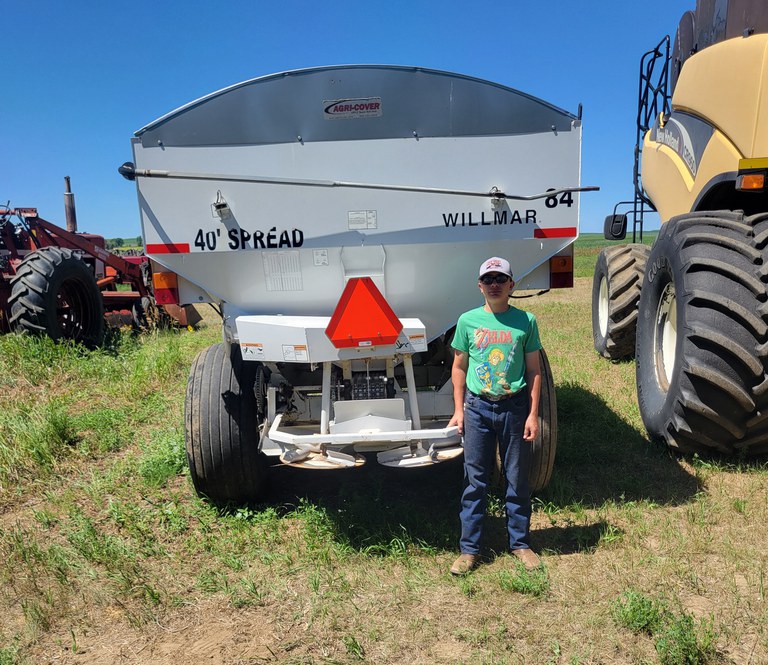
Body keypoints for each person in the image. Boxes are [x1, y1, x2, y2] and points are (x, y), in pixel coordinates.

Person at [448, 256, 543, 575]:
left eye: (500, 279)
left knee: (516, 478)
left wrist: (532, 415)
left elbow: (534, 371)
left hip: (514, 408)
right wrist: (459, 410)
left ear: (512, 285)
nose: (494, 285)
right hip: (477, 409)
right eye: (488, 280)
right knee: (475, 481)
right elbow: (459, 367)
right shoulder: (467, 321)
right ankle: (469, 550)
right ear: (479, 286)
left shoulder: (526, 321)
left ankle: (520, 544)